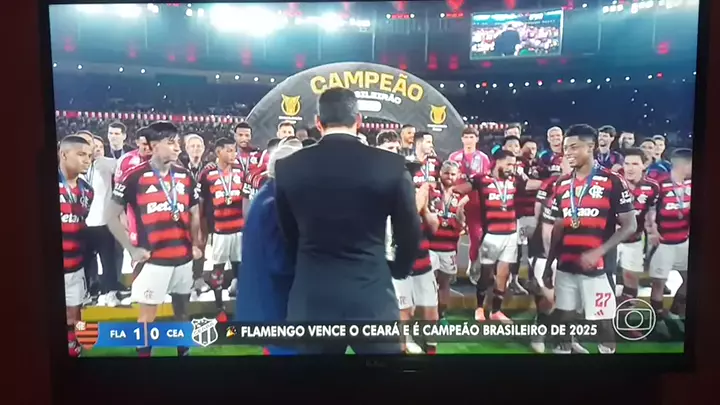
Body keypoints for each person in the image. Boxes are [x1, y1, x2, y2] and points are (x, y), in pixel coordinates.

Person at [274, 87, 422, 355]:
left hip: (312, 298)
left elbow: (288, 234)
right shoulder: (391, 165)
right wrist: (398, 269)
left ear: (318, 122)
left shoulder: (288, 167)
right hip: (372, 296)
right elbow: (410, 231)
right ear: (359, 120)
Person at [106, 121, 203, 358]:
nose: (177, 147)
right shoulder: (134, 176)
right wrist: (132, 249)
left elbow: (194, 211)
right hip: (153, 260)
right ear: (154, 146)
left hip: (183, 259)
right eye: (171, 143)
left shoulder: (185, 175)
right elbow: (110, 216)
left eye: (177, 142)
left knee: (183, 313)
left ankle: (185, 358)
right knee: (147, 318)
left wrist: (196, 244)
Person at [545, 124, 637, 354]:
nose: (568, 152)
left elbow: (630, 225)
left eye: (574, 147)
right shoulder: (561, 183)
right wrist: (549, 264)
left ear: (591, 147)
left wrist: (599, 251)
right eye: (566, 148)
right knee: (564, 319)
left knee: (603, 324)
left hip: (598, 268)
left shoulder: (613, 181)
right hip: (566, 266)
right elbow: (558, 228)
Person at [454, 150, 542, 322]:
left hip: (511, 235)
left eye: (514, 165)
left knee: (503, 276)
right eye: (508, 164)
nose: (511, 168)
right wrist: (455, 195)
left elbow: (532, 184)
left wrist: (552, 182)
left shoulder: (515, 180)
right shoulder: (481, 179)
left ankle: (496, 311)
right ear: (497, 162)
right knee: (486, 275)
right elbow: (461, 189)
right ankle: (479, 309)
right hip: (491, 235)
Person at [235, 139, 303, 356]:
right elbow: (280, 261)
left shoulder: (267, 195)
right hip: (277, 298)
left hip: (265, 297)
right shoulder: (275, 203)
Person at [197, 137, 245, 321]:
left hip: (239, 229)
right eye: (229, 150)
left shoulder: (240, 170)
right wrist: (202, 230)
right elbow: (201, 204)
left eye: (234, 150)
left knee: (240, 267)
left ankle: (242, 304)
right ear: (218, 152)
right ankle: (219, 307)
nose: (233, 154)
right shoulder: (207, 173)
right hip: (219, 231)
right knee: (218, 269)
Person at [75, 131, 124, 307]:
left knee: (108, 260)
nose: (94, 149)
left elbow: (123, 169)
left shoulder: (106, 163)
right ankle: (89, 292)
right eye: (91, 145)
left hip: (103, 222)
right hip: (82, 223)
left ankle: (110, 293)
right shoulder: (76, 165)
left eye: (97, 146)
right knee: (86, 261)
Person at [646, 148, 692, 335]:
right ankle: (657, 321)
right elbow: (650, 209)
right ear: (684, 165)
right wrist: (652, 230)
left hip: (684, 241)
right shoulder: (661, 184)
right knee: (659, 283)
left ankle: (674, 311)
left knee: (690, 279)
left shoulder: (691, 183)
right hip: (663, 243)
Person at [58, 135, 94, 357]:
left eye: (89, 155)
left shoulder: (88, 190)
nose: (87, 160)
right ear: (63, 155)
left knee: (76, 315)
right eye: (81, 154)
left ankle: (76, 352)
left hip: (75, 266)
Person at [617, 149, 659, 307]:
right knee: (603, 278)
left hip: (634, 240)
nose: (630, 168)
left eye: (635, 164)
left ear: (644, 165)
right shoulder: (613, 183)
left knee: (631, 279)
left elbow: (651, 212)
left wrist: (652, 229)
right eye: (627, 163)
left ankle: (627, 313)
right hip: (609, 240)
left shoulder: (653, 187)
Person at [447, 128, 491, 278]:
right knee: (452, 234)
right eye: (466, 137)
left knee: (476, 236)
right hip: (456, 200)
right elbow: (450, 179)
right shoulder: (454, 157)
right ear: (462, 139)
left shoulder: (483, 158)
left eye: (471, 137)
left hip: (475, 201)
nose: (468, 140)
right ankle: (450, 267)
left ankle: (472, 265)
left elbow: (484, 180)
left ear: (477, 139)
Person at [428, 161, 468, 322]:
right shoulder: (431, 191)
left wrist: (460, 212)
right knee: (429, 284)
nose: (449, 177)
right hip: (430, 245)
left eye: (453, 174)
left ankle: (442, 317)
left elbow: (462, 223)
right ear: (440, 173)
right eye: (446, 173)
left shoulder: (461, 196)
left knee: (444, 284)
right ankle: (429, 318)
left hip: (449, 247)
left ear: (458, 175)